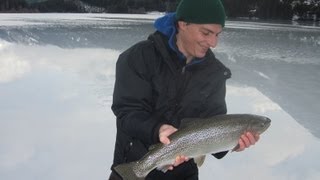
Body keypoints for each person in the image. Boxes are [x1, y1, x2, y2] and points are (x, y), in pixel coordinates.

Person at [109, 0, 260, 179]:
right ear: (183, 24)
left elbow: (214, 127)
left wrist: (234, 143)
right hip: (134, 166)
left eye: (217, 34)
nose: (213, 42)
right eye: (206, 33)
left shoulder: (215, 74)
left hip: (184, 174)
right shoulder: (139, 57)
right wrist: (158, 129)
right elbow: (127, 112)